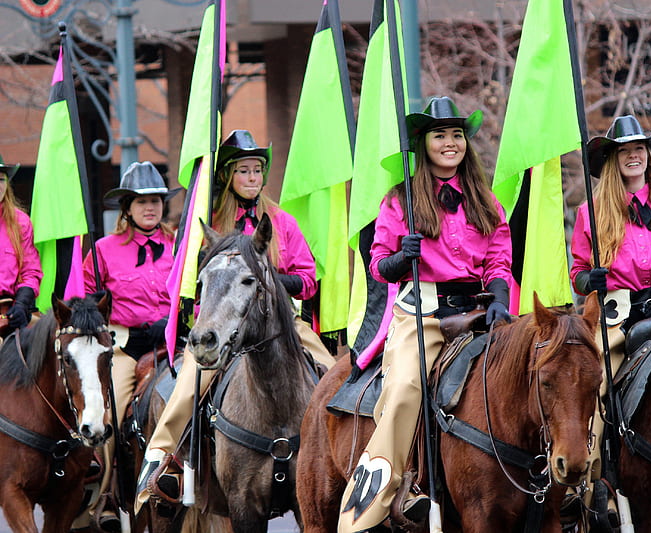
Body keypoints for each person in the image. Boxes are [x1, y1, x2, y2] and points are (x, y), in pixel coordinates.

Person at [135, 129, 336, 510]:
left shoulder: (281, 221)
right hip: (223, 326)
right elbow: (187, 277)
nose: (253, 178)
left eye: (258, 170)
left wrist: (268, 279)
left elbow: (308, 278)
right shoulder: (208, 221)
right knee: (188, 384)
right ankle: (165, 463)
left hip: (282, 326)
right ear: (228, 175)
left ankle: (344, 459)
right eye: (244, 170)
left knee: (331, 377)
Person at [338, 96, 512, 532]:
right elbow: (378, 263)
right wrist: (402, 257)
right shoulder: (400, 201)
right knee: (404, 389)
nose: (450, 143)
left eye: (456, 135)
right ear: (424, 144)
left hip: (476, 310)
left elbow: (499, 260)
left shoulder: (486, 201)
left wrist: (498, 300)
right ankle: (387, 493)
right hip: (423, 314)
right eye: (440, 135)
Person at [569, 114, 651, 527]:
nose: (633, 156)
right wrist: (588, 278)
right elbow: (576, 274)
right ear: (613, 160)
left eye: (639, 149)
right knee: (595, 390)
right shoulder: (590, 213)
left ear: (649, 157)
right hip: (616, 318)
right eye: (625, 151)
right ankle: (590, 488)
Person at [77, 161, 179, 531]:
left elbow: (194, 295)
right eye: (140, 202)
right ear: (127, 208)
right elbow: (83, 306)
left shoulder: (180, 245)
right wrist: (106, 325)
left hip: (173, 346)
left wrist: (171, 323)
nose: (150, 208)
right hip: (125, 348)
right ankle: (104, 495)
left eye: (155, 200)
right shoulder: (103, 251)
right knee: (110, 415)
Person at [0, 154, 42, 340]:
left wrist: (22, 304)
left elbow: (31, 271)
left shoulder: (21, 222)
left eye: (1, 179)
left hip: (9, 312)